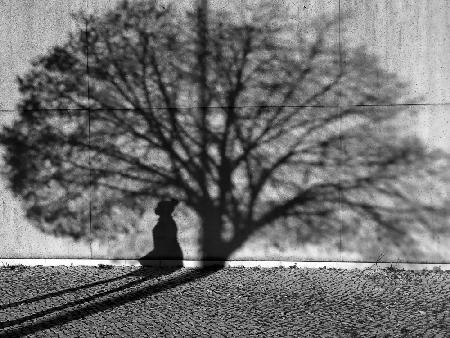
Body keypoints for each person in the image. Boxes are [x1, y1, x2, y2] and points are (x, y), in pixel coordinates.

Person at [139, 198, 183, 265]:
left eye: (159, 207)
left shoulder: (168, 224)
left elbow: (166, 246)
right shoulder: (163, 223)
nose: (156, 209)